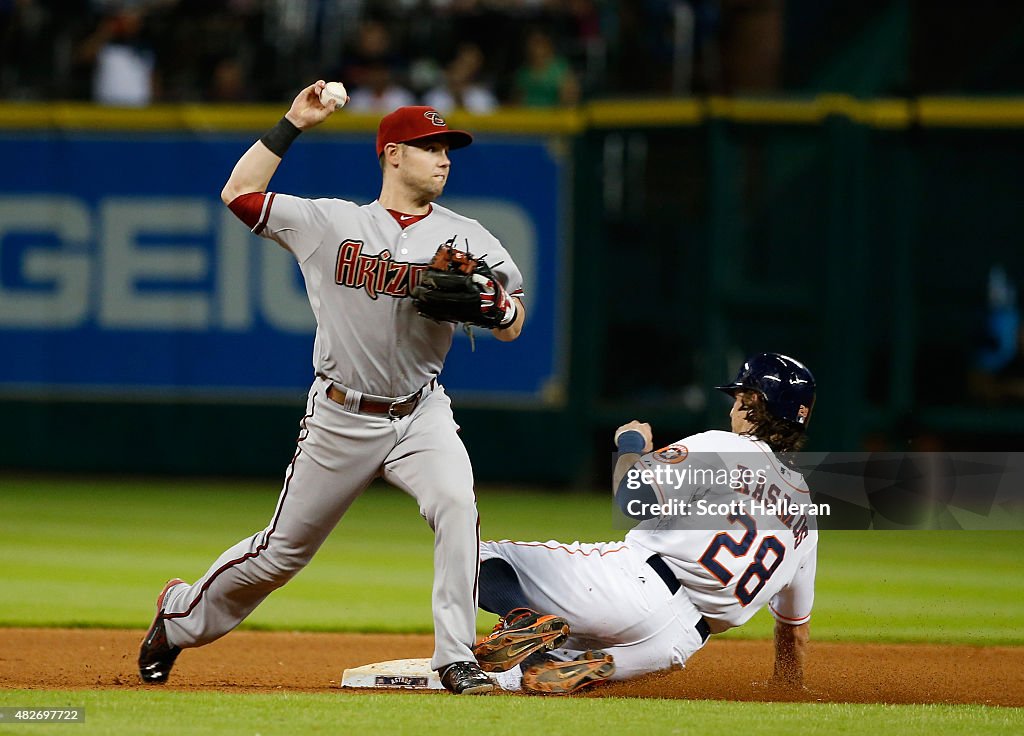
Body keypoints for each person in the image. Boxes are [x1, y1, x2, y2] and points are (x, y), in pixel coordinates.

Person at [138, 81, 527, 696]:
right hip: (341, 414)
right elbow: (239, 194)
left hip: (420, 412)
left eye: (448, 149)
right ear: (392, 154)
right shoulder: (332, 222)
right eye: (430, 147)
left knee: (457, 507)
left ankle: (455, 657)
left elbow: (514, 319)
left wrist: (498, 307)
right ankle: (179, 616)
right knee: (280, 555)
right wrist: (292, 121)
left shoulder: (471, 236)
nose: (445, 158)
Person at [471, 353, 818, 694]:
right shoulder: (806, 514)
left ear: (755, 402)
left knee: (476, 554)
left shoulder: (723, 446)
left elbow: (630, 501)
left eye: (739, 398)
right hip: (678, 643)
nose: (732, 409)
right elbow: (793, 631)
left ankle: (521, 618)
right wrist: (787, 686)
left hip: (629, 589)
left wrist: (631, 444)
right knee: (531, 675)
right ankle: (600, 663)